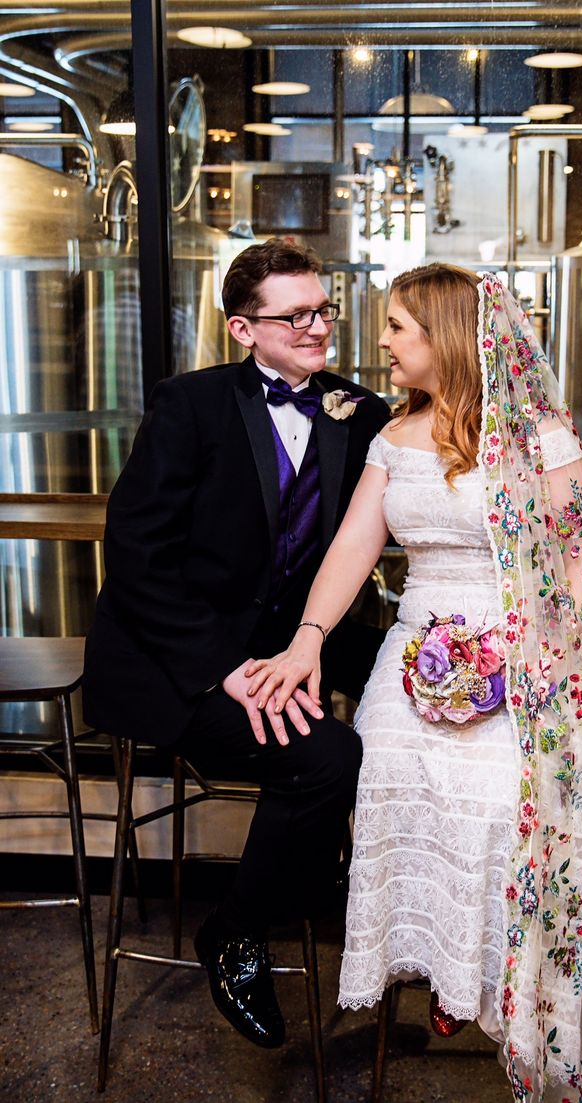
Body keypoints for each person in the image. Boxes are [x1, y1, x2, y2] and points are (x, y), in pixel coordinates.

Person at [246, 264, 582, 1101]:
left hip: (524, 665)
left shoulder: (540, 440)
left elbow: (581, 582)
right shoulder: (392, 439)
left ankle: (496, 988)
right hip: (414, 658)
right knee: (388, 784)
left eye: (399, 325)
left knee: (508, 813)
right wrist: (306, 641)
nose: (385, 341)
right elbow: (353, 550)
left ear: (443, 336)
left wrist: (529, 662)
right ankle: (443, 973)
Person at [82, 237, 390, 1050]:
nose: (318, 327)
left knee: (408, 692)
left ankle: (358, 889)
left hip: (282, 640)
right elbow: (137, 560)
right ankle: (238, 929)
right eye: (295, 316)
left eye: (323, 310)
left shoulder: (358, 413)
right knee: (328, 757)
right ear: (242, 329)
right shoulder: (189, 404)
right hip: (174, 661)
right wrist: (229, 673)